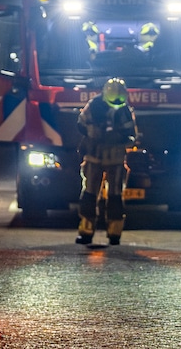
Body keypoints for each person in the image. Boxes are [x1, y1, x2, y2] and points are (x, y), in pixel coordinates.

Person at [75, 77, 138, 245]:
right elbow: (81, 124)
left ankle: (115, 232)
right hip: (94, 157)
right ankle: (86, 231)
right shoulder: (94, 106)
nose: (117, 102)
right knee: (89, 193)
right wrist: (93, 134)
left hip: (116, 158)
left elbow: (131, 133)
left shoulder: (124, 110)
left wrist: (125, 138)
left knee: (115, 196)